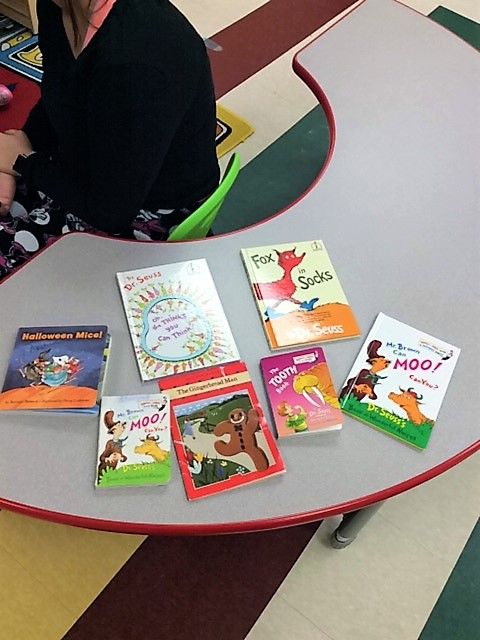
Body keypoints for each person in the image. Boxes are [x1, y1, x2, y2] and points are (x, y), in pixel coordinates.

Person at [0, 0, 220, 280]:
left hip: (149, 212)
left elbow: (110, 211)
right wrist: (19, 147)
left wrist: (22, 161)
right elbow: (59, 94)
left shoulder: (135, 56)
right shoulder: (60, 7)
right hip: (94, 173)